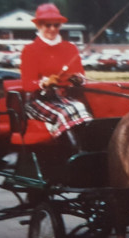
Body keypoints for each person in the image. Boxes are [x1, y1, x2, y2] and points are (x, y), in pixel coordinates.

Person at [21, 3, 91, 139]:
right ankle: (69, 152)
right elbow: (27, 84)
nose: (52, 29)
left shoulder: (70, 48)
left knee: (80, 109)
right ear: (39, 26)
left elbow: (81, 76)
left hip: (65, 98)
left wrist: (78, 79)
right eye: (48, 25)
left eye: (56, 25)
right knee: (67, 112)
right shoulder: (30, 50)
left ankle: (82, 150)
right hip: (39, 100)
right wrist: (45, 82)